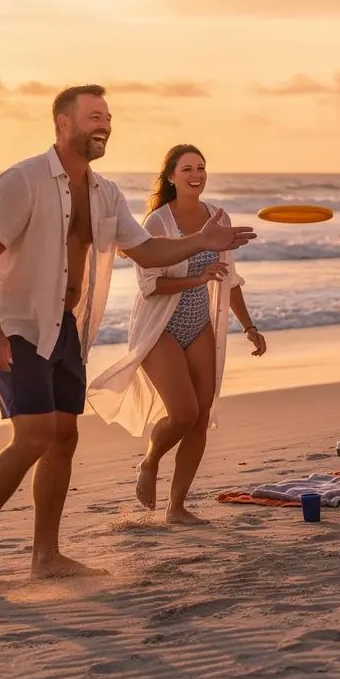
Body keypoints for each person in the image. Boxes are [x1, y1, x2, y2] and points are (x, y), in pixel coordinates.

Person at [0, 86, 255, 597]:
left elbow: (146, 250)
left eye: (109, 118)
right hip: (20, 325)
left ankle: (45, 556)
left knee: (65, 437)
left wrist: (202, 242)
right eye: (94, 116)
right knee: (32, 436)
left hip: (65, 327)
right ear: (62, 124)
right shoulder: (23, 179)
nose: (106, 125)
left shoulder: (104, 193)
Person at [88, 145, 267, 523]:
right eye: (186, 168)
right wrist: (197, 279)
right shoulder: (156, 223)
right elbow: (150, 286)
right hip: (160, 325)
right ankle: (150, 462)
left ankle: (177, 507)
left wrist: (249, 327)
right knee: (182, 413)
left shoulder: (217, 218)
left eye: (201, 167)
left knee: (201, 417)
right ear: (171, 177)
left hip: (199, 323)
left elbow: (229, 278)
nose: (195, 174)